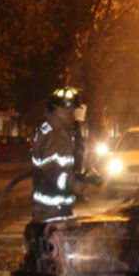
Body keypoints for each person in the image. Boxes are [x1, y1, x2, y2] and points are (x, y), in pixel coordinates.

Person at [31, 87, 100, 222]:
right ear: (59, 111)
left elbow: (63, 168)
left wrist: (85, 178)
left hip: (58, 210)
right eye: (71, 111)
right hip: (50, 212)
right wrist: (78, 186)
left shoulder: (62, 134)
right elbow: (53, 172)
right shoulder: (52, 136)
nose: (74, 116)